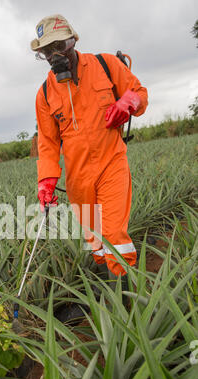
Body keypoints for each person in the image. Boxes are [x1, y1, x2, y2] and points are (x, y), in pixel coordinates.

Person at [31, 14, 148, 303]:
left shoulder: (105, 65)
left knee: (113, 235)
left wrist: (127, 103)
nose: (55, 55)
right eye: (47, 51)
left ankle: (126, 301)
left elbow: (140, 93)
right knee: (94, 239)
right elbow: (47, 143)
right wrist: (46, 180)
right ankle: (105, 286)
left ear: (73, 41)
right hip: (78, 177)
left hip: (111, 163)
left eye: (60, 45)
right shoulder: (45, 94)